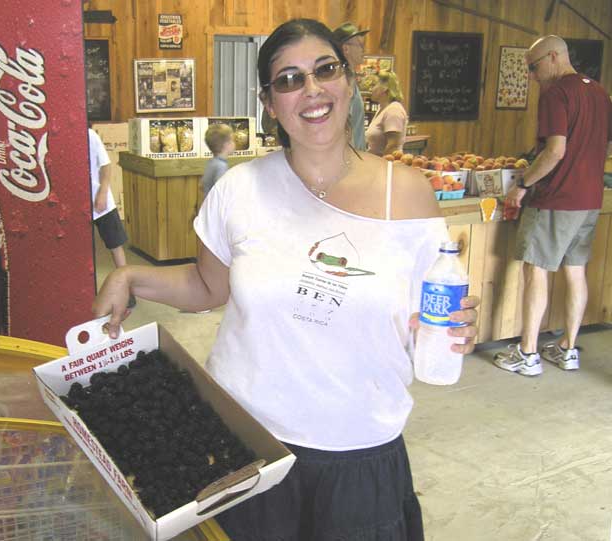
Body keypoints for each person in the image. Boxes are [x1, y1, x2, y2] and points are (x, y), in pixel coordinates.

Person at [93, 18, 479, 541]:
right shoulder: (239, 189)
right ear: (270, 103)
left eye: (325, 70)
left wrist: (448, 329)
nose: (312, 90)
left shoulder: (407, 193)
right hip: (247, 444)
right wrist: (131, 276)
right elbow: (209, 287)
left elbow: (426, 316)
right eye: (289, 79)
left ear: (348, 81)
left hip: (357, 448)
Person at [493, 35, 612, 376]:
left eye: (533, 67)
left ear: (554, 57)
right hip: (590, 199)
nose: (532, 76)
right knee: (576, 272)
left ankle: (528, 353)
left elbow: (555, 151)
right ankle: (567, 348)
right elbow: (603, 148)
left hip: (556, 198)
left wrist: (523, 184)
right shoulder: (600, 93)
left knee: (536, 270)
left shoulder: (557, 93)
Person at [87, 128, 135, 309]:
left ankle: (128, 291)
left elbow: (106, 165)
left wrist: (102, 192)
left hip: (100, 202)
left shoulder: (89, 135)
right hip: (75, 203)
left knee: (116, 246)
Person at [332, 21, 369, 151]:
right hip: (349, 159)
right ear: (346, 49)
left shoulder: (350, 79)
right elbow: (344, 126)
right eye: (360, 45)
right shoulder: (343, 81)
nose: (364, 50)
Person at [366, 70, 408, 156]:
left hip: (384, 166)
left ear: (385, 87)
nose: (370, 89)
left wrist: (381, 165)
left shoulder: (394, 110)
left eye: (373, 85)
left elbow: (393, 146)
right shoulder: (381, 109)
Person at [201, 123, 235, 196]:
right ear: (226, 145)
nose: (234, 143)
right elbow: (221, 192)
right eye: (232, 140)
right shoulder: (221, 166)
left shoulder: (211, 163)